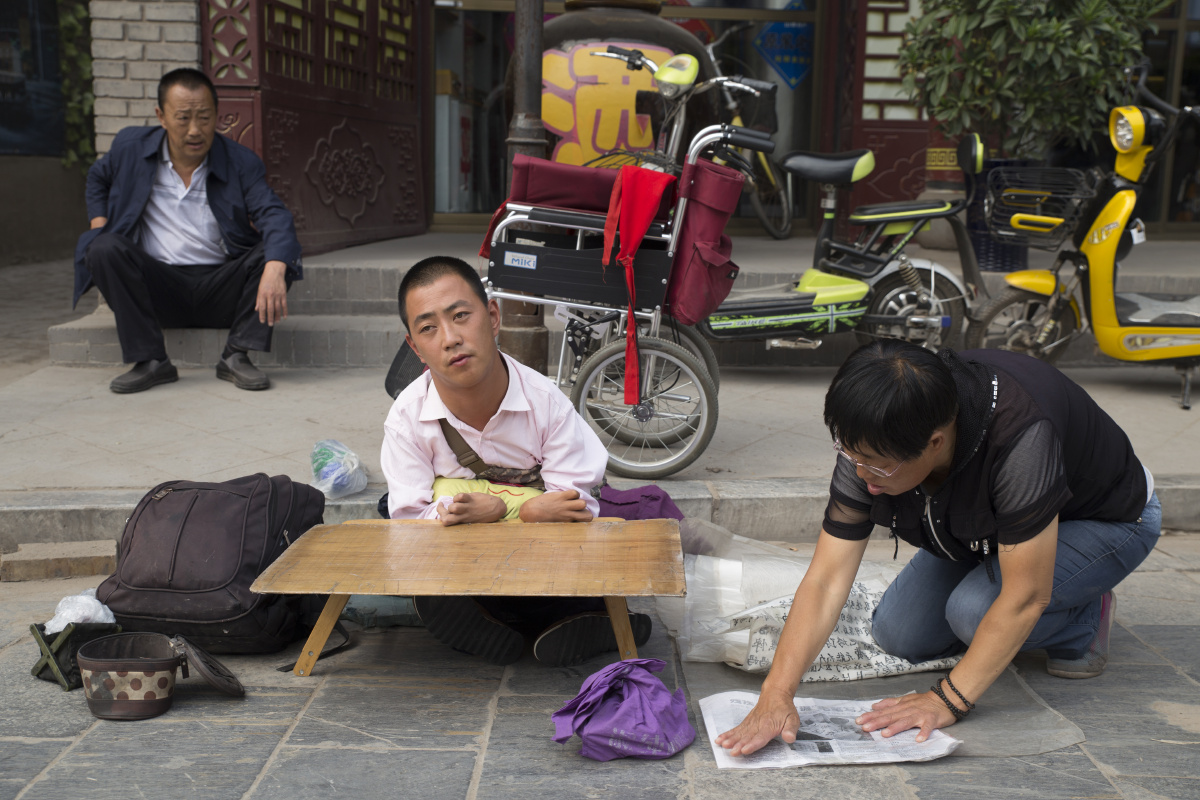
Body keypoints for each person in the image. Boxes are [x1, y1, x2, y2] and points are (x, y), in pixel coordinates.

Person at [716, 340, 1160, 756]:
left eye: (878, 468)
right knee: (897, 632)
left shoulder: (1021, 436)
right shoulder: (874, 437)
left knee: (974, 611)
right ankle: (1018, 571)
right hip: (984, 530)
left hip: (1106, 520)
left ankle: (1086, 615)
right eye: (852, 456)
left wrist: (947, 699)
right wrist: (776, 693)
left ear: (935, 443)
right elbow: (828, 576)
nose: (863, 476)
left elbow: (1025, 596)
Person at [380, 255, 651, 667]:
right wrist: (507, 509)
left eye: (460, 316)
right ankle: (563, 618)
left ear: (491, 317)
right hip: (462, 558)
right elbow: (407, 521)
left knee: (577, 542)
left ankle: (545, 618)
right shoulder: (406, 418)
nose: (450, 338)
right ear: (415, 347)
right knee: (398, 523)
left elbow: (574, 504)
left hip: (541, 560)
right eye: (429, 328)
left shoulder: (546, 404)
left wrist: (518, 513)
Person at [74, 67, 302, 393]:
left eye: (205, 117)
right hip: (157, 287)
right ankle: (152, 361)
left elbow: (275, 215)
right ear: (161, 116)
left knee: (278, 252)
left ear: (217, 116)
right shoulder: (131, 148)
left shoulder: (240, 162)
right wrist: (100, 223)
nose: (195, 130)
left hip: (220, 288)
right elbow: (97, 176)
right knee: (103, 246)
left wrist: (276, 267)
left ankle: (236, 355)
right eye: (183, 118)